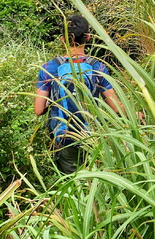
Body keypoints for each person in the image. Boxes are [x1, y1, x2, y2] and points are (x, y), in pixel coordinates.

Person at [34, 14, 123, 173]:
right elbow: (116, 108)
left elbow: (38, 110)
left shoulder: (49, 67)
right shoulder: (98, 67)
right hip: (92, 135)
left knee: (70, 183)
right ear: (88, 37)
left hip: (64, 136)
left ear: (62, 39)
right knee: (94, 179)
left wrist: (52, 102)